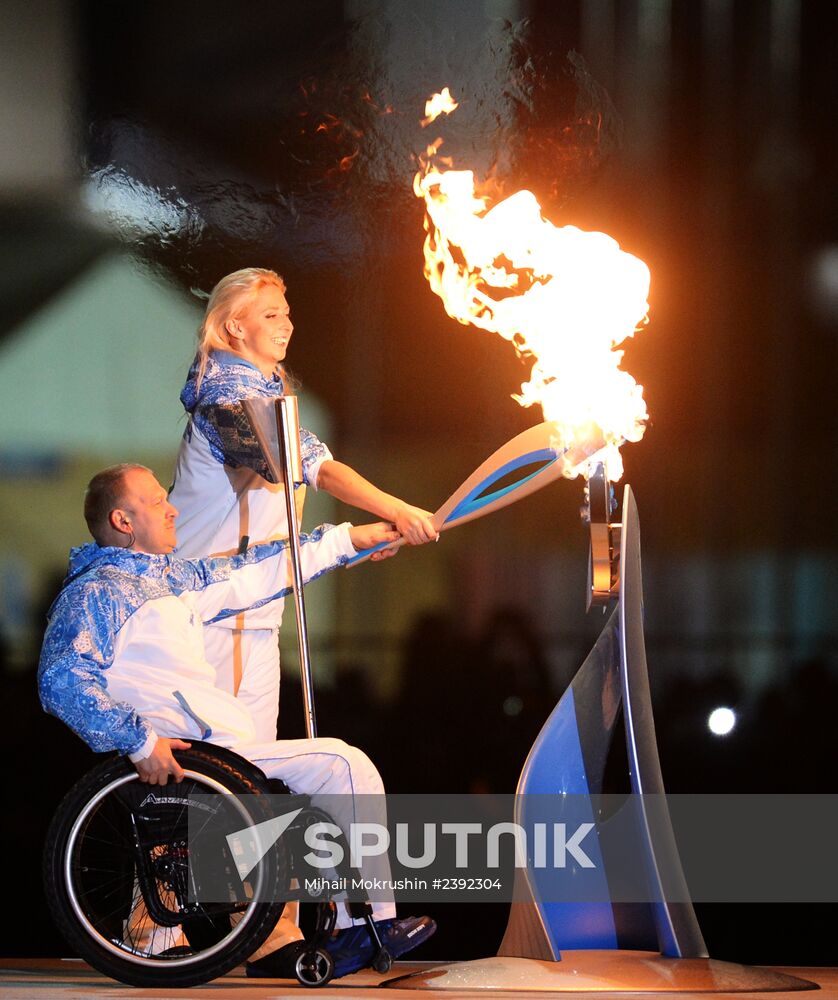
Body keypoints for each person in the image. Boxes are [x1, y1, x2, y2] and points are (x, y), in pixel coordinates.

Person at [38, 464, 435, 979]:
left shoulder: (169, 581)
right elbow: (60, 679)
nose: (172, 508)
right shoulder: (97, 593)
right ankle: (359, 927)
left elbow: (257, 570)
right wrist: (138, 741)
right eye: (158, 502)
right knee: (342, 761)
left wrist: (353, 539)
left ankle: (358, 926)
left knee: (343, 768)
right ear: (122, 519)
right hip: (189, 758)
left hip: (222, 753)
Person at [169, 267, 438, 741]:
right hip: (212, 603)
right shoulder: (227, 402)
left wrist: (364, 538)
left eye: (288, 314)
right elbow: (320, 469)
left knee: (247, 771)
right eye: (271, 314)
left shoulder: (268, 398)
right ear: (235, 326)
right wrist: (396, 510)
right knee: (214, 771)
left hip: (255, 609)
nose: (287, 324)